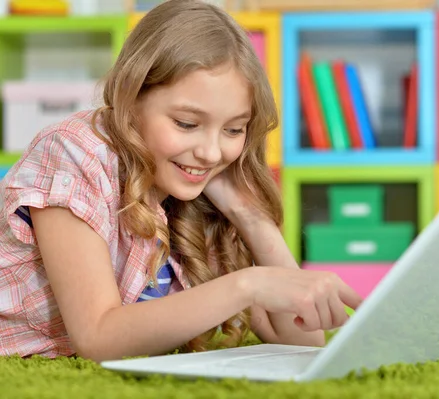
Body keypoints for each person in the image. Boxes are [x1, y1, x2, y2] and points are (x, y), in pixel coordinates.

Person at [0, 0, 362, 362]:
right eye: (187, 124)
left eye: (234, 129)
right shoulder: (75, 153)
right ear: (131, 98)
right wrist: (247, 286)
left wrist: (249, 216)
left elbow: (303, 342)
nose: (210, 152)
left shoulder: (194, 189)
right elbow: (97, 338)